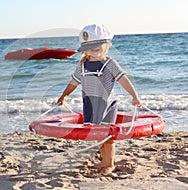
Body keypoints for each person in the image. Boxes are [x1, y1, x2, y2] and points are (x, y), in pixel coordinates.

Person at [57, 24, 142, 174]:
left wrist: (134, 96)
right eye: (90, 46)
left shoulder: (110, 64)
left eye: (97, 45)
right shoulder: (82, 65)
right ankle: (104, 159)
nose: (94, 48)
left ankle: (110, 163)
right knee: (98, 135)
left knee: (108, 136)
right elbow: (74, 82)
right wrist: (65, 95)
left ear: (107, 44)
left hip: (107, 104)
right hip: (90, 105)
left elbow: (123, 80)